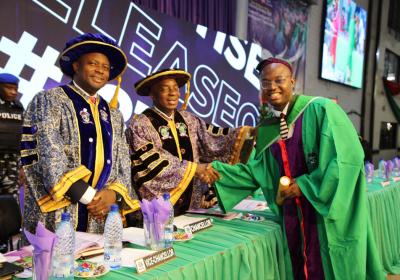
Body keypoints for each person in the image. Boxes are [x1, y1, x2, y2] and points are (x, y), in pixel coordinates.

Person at [210, 58, 385, 279]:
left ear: (292, 82)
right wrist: (212, 172)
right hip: (295, 218)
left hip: (326, 214)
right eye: (265, 82)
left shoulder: (322, 109)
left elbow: (346, 158)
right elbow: (256, 171)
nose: (272, 87)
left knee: (334, 267)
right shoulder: (268, 129)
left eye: (279, 80)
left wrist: (304, 186)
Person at [21, 33, 139, 235]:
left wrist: (113, 194)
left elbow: (123, 162)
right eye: (93, 64)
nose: (100, 71)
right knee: (58, 263)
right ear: (76, 66)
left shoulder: (113, 113)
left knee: (98, 264)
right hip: (62, 209)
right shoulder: (50, 100)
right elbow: (48, 155)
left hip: (100, 212)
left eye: (105, 67)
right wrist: (92, 198)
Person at [125, 69, 252, 216]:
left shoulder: (189, 119)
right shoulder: (140, 124)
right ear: (152, 94)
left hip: (194, 203)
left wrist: (245, 134)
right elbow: (151, 161)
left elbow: (211, 140)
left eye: (175, 88)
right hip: (161, 208)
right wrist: (194, 169)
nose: (172, 93)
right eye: (164, 89)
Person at [0, 73, 23, 199]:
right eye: (9, 88)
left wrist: (22, 167)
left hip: (12, 164)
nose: (13, 92)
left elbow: (22, 137)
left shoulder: (18, 107)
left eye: (16, 89)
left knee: (10, 204)